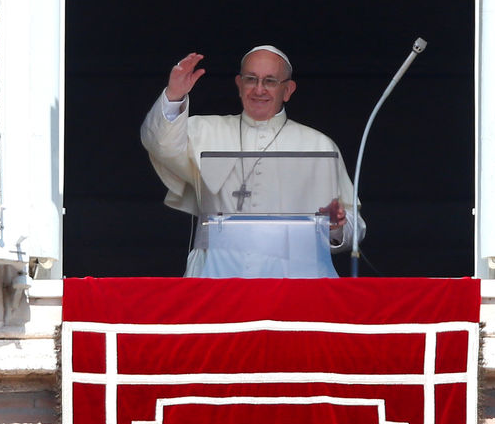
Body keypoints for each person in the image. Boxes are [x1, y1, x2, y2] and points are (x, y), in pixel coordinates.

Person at [140, 45, 365, 277]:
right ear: (239, 84)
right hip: (216, 275)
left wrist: (335, 226)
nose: (259, 89)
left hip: (295, 278)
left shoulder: (318, 145)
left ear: (287, 90)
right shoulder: (203, 130)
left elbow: (353, 227)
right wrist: (174, 95)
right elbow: (160, 144)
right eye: (251, 79)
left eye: (270, 81)